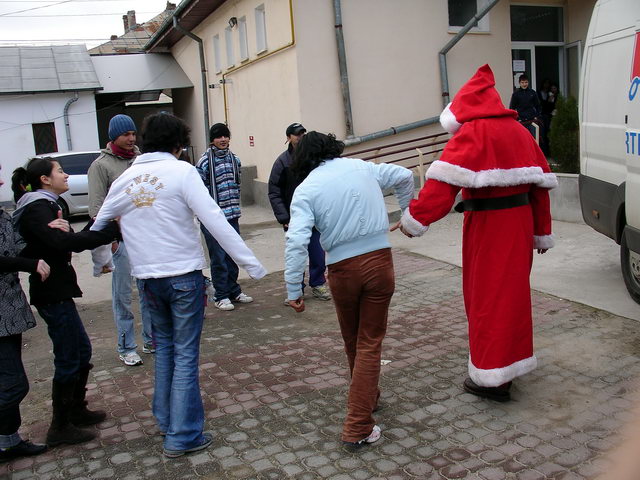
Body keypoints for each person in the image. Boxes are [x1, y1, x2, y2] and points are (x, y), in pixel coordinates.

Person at [91, 113, 266, 458]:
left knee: (167, 351)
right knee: (185, 354)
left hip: (148, 281)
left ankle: (165, 419)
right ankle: (183, 435)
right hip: (184, 278)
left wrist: (102, 263)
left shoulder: (127, 178)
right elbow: (214, 218)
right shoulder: (182, 171)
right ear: (178, 144)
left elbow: (99, 224)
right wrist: (252, 265)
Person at [395, 64, 556, 402]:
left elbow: (440, 190)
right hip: (519, 227)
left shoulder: (473, 134)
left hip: (488, 229)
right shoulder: (521, 132)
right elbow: (540, 189)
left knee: (486, 299)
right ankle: (510, 365)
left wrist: (413, 221)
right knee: (512, 296)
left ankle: (493, 379)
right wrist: (541, 232)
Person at [285, 131, 414, 446]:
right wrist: (409, 215)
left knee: (354, 342)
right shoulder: (363, 167)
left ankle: (365, 408)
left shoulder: (306, 189)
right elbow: (406, 176)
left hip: (342, 270)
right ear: (333, 148)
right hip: (379, 264)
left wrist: (293, 288)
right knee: (369, 343)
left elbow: (297, 239)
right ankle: (359, 423)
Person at [12, 158, 120, 447]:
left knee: (81, 350)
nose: (65, 175)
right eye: (60, 171)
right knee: (69, 354)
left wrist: (72, 232)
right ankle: (59, 427)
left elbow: (59, 240)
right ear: (45, 179)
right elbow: (59, 244)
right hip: (51, 292)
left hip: (60, 289)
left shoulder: (46, 204)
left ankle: (75, 409)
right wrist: (108, 232)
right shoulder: (36, 207)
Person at [0, 167, 55, 462]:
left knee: (8, 381)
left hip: (8, 310)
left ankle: (9, 442)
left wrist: (50, 232)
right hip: (1, 312)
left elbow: (17, 245)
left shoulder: (3, 213)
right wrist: (30, 264)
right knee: (14, 384)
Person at [88, 113, 152, 367]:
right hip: (121, 241)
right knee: (123, 296)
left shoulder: (140, 161)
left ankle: (151, 339)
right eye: (126, 134)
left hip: (144, 239)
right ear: (114, 136)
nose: (131, 138)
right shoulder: (101, 166)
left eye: (133, 134)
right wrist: (110, 239)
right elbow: (96, 208)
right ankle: (126, 346)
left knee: (149, 292)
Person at [268, 123, 330, 304]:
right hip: (293, 218)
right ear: (288, 137)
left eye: (303, 133)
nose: (300, 137)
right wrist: (284, 217)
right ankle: (297, 288)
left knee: (317, 252)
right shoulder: (282, 162)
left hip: (316, 216)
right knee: (297, 253)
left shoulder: (315, 159)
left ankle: (318, 283)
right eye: (296, 134)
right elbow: (274, 191)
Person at [195, 123, 254, 311]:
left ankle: (233, 290)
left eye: (225, 136)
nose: (223, 140)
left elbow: (237, 185)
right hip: (212, 219)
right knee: (218, 257)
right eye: (219, 137)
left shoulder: (234, 159)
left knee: (232, 254)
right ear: (212, 140)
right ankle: (221, 296)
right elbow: (198, 191)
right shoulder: (204, 162)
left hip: (232, 215)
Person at [509, 74, 542, 138]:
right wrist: (517, 119)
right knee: (522, 139)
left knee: (533, 139)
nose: (524, 84)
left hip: (532, 121)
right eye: (522, 82)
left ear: (528, 82)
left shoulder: (532, 93)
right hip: (521, 121)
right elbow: (512, 108)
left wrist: (537, 116)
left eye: (526, 82)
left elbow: (538, 106)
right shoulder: (516, 94)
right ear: (519, 83)